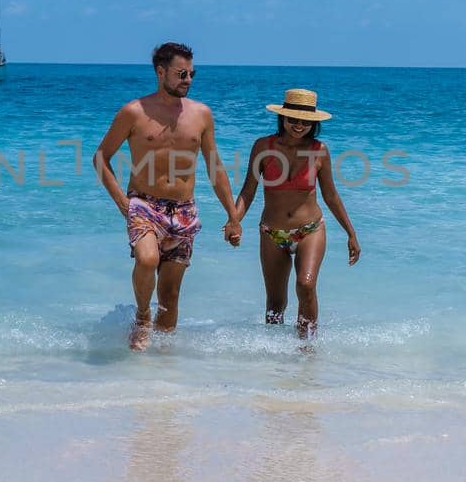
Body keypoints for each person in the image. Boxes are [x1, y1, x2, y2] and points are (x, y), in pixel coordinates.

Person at [93, 42, 242, 348]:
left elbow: (215, 166)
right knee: (147, 260)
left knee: (171, 298)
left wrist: (233, 216)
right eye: (181, 73)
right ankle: (142, 315)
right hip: (144, 205)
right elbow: (101, 157)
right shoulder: (133, 112)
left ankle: (163, 373)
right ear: (161, 72)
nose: (188, 79)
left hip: (184, 210)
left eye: (192, 74)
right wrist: (124, 203)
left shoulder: (201, 114)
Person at [234, 87, 361, 338]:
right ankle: (275, 354)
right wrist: (233, 220)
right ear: (282, 118)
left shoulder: (319, 150)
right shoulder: (263, 146)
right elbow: (248, 190)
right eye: (293, 119)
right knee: (275, 303)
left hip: (310, 229)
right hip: (271, 232)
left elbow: (331, 195)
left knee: (305, 284)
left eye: (305, 121)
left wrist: (351, 233)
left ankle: (307, 349)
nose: (299, 125)